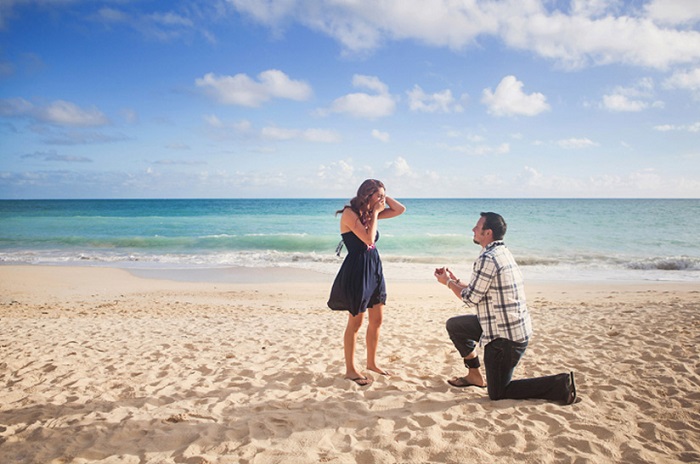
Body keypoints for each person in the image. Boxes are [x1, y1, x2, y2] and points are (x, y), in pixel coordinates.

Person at [433, 212, 577, 405]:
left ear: (488, 233)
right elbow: (478, 290)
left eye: (477, 227)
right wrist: (455, 280)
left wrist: (447, 283)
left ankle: (560, 384)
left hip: (505, 338)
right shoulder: (501, 252)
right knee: (455, 326)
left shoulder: (488, 259)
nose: (473, 230)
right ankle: (474, 375)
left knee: (498, 393)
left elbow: (471, 299)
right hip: (503, 325)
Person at [327, 179, 406, 386]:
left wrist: (383, 198)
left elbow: (400, 209)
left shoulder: (371, 213)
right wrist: (377, 213)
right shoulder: (349, 214)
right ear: (366, 195)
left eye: (383, 196)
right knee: (356, 322)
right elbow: (368, 240)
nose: (382, 200)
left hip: (374, 267)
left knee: (377, 319)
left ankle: (371, 363)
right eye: (378, 195)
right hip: (357, 269)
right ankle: (351, 369)